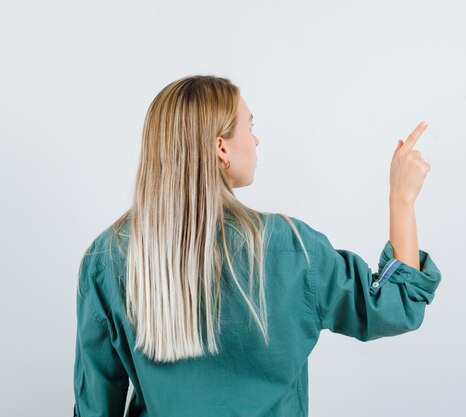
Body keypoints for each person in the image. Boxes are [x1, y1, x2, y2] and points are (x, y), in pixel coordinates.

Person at [72, 74, 443, 417]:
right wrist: (401, 199)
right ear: (221, 148)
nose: (256, 140)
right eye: (250, 127)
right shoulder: (292, 248)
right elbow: (396, 307)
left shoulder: (108, 259)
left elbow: (95, 408)